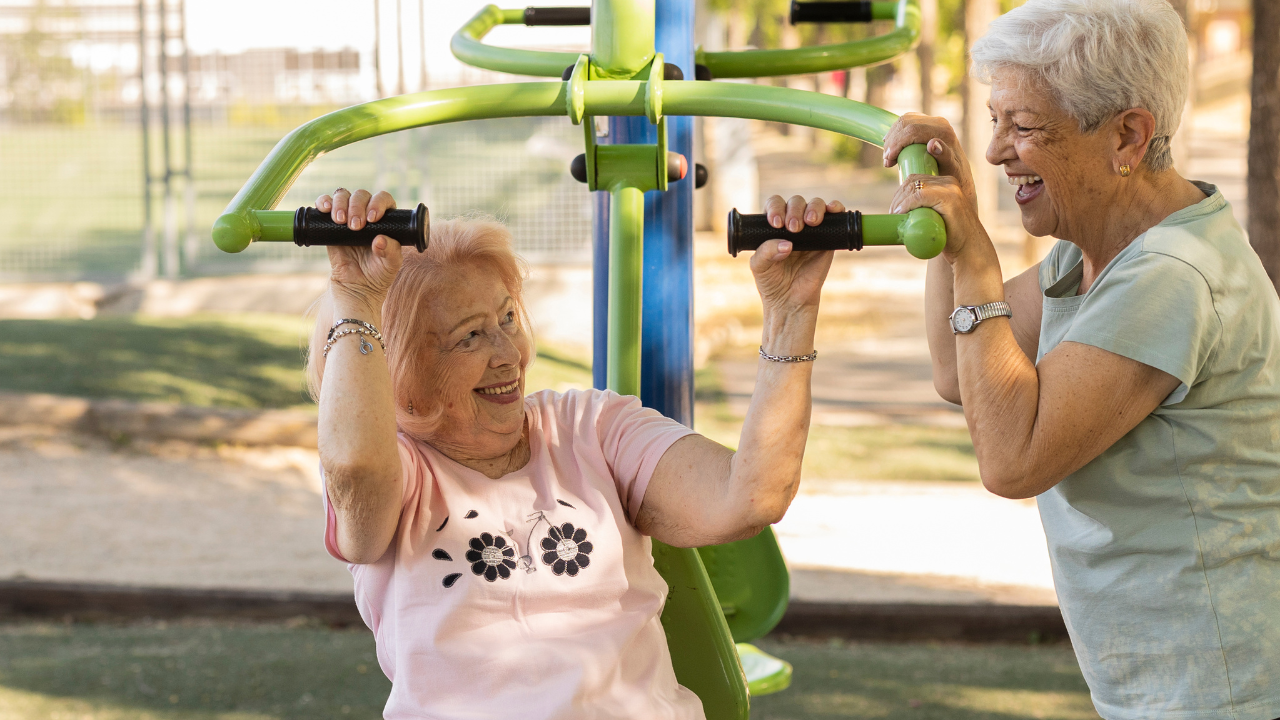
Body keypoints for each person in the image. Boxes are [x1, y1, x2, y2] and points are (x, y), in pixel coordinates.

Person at [767, 0, 1280, 717]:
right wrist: (952, 228)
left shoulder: (1173, 274)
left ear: (1129, 135)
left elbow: (1012, 459)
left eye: (1025, 125)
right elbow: (958, 366)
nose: (996, 148)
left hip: (1223, 689)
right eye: (996, 120)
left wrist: (977, 258)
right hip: (1165, 682)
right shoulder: (1092, 252)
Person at [306, 187, 831, 719]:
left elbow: (750, 497)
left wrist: (790, 312)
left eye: (507, 318)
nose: (509, 355)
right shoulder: (398, 470)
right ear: (401, 369)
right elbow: (353, 464)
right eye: (470, 338)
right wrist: (355, 296)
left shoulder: (592, 428)